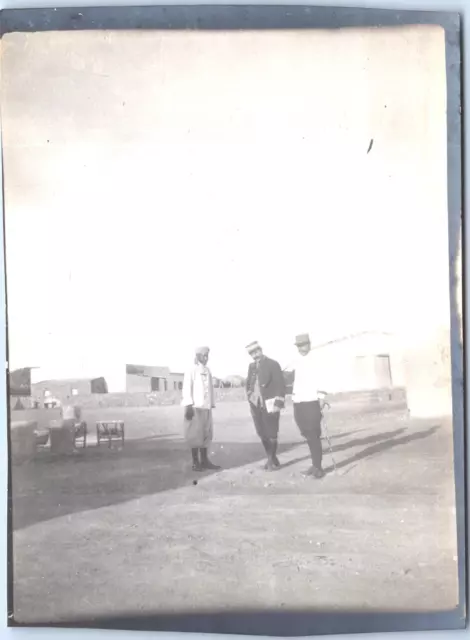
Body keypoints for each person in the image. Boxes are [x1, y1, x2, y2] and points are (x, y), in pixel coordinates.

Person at [289, 333, 329, 479]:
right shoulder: (295, 360)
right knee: (306, 433)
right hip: (298, 401)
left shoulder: (316, 360)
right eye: (299, 345)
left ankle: (318, 467)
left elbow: (323, 379)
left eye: (304, 344)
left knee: (313, 434)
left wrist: (322, 397)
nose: (302, 348)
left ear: (309, 344)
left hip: (311, 401)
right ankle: (314, 464)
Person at [245, 341, 286, 471]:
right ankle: (272, 458)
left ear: (261, 350)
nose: (255, 355)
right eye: (252, 353)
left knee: (272, 433)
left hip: (270, 403)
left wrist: (278, 402)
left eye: (256, 352)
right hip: (255, 404)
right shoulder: (251, 366)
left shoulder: (273, 364)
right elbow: (248, 383)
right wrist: (249, 395)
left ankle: (270, 461)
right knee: (262, 433)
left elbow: (280, 384)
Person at [182, 346, 221, 472]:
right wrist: (188, 405)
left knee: (206, 434)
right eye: (203, 356)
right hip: (195, 407)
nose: (206, 358)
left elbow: (210, 389)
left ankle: (204, 461)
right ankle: (195, 462)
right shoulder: (191, 370)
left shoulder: (208, 371)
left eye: (207, 356)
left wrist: (211, 404)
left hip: (206, 407)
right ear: (198, 356)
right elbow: (187, 388)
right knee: (195, 435)